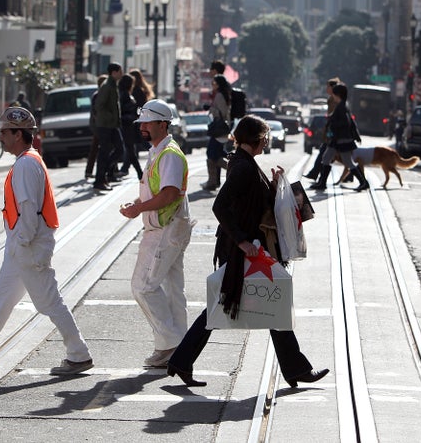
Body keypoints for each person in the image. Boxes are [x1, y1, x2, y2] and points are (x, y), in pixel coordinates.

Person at [166, 115, 329, 387]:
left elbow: (254, 200)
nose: (267, 141)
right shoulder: (243, 167)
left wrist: (276, 185)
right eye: (265, 137)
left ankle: (294, 368)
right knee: (232, 304)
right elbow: (220, 206)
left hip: (249, 247)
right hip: (244, 248)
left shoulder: (244, 163)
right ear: (257, 139)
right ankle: (182, 360)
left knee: (268, 300)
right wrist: (242, 242)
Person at [0, 107, 92, 375]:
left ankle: (79, 353)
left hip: (28, 245)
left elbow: (28, 207)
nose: (0, 137)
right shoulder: (29, 160)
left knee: (48, 301)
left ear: (17, 134)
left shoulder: (26, 163)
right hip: (23, 245)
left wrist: (22, 241)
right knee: (1, 298)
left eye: (4, 132)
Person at [120, 99, 193, 367]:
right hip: (168, 227)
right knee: (172, 290)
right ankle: (181, 350)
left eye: (148, 123)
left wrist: (138, 208)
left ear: (163, 124)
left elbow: (170, 194)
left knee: (143, 286)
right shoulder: (159, 151)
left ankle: (169, 344)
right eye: (142, 123)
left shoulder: (169, 154)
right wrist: (139, 206)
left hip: (165, 229)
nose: (143, 127)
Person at [309, 83, 368, 191]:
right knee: (327, 158)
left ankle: (363, 182)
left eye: (334, 94)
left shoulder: (342, 107)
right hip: (338, 139)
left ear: (338, 95)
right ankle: (322, 182)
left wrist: (332, 122)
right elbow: (351, 122)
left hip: (341, 140)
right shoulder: (343, 106)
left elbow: (345, 123)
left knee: (345, 161)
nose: (333, 97)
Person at [92, 63, 125, 192]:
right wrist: (111, 117)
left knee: (119, 150)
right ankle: (100, 179)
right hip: (106, 125)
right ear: (114, 72)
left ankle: (104, 174)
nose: (122, 74)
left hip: (112, 124)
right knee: (104, 152)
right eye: (120, 71)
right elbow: (99, 105)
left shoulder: (112, 85)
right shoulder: (107, 86)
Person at [304, 77, 341, 180]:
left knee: (327, 155)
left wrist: (328, 129)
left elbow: (334, 116)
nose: (326, 88)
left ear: (332, 87)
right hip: (331, 131)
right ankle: (317, 176)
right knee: (326, 154)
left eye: (328, 86)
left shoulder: (335, 100)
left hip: (334, 132)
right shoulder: (331, 99)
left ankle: (317, 176)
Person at [201, 74, 231, 191]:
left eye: (214, 83)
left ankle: (232, 170)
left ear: (218, 85)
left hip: (219, 128)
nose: (212, 85)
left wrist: (210, 108)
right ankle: (212, 181)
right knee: (215, 154)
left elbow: (223, 112)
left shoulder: (219, 95)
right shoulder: (223, 94)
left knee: (212, 154)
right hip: (221, 128)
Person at [117, 73, 143, 179]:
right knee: (129, 150)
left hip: (129, 126)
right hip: (126, 126)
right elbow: (123, 111)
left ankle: (139, 173)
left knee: (130, 150)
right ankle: (140, 173)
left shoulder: (125, 94)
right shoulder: (125, 95)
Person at [85, 74, 108, 179]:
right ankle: (90, 171)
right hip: (100, 126)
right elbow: (96, 112)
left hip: (100, 125)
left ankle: (90, 171)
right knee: (101, 147)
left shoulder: (99, 94)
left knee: (100, 148)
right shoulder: (98, 95)